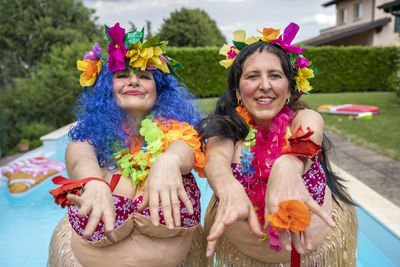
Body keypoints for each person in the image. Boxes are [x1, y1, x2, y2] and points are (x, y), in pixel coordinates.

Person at [197, 23, 358, 266]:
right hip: (245, 258)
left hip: (314, 256)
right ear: (238, 92)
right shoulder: (227, 132)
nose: (265, 85)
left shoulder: (302, 120)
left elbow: (311, 132)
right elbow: (216, 163)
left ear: (290, 88)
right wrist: (227, 185)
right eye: (253, 76)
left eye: (275, 75)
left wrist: (288, 164)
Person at [48, 23, 206, 266]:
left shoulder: (177, 135)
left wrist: (168, 161)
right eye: (122, 75)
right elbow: (79, 155)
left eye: (144, 76)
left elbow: (183, 149)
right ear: (107, 89)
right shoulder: (92, 140)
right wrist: (93, 182)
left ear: (159, 90)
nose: (133, 81)